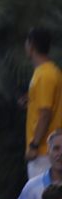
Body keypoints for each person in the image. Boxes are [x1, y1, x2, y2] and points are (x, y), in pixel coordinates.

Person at [28, 30, 61, 177]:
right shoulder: (49, 71)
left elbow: (46, 113)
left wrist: (34, 145)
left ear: (31, 45)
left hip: (44, 152)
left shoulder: (44, 75)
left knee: (43, 197)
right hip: (48, 150)